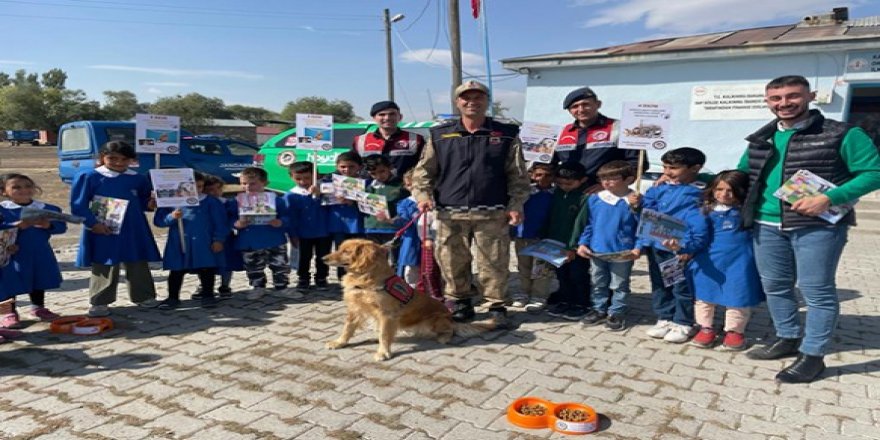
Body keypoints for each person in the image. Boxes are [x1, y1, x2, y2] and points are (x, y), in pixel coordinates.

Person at [739, 75, 880, 383]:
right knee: (775, 287)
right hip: (765, 225)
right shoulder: (761, 137)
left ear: (810, 95)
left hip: (817, 226)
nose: (784, 103)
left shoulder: (842, 133)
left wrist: (829, 198)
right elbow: (740, 176)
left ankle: (813, 356)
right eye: (776, 98)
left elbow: (873, 173)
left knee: (817, 292)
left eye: (792, 96)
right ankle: (786, 337)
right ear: (767, 101)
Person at [411, 80, 530, 326]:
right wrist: (423, 196)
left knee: (494, 262)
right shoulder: (440, 134)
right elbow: (423, 172)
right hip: (449, 213)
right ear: (457, 102)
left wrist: (516, 204)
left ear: (487, 101)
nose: (472, 102)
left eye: (478, 97)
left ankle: (496, 304)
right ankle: (460, 301)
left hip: (493, 212)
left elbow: (517, 175)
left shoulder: (506, 134)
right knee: (452, 262)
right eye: (466, 98)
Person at [70, 141, 161, 317]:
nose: (118, 162)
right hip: (103, 227)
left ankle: (144, 296)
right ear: (102, 157)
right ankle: (100, 301)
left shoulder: (137, 178)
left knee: (137, 260)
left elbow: (144, 202)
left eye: (124, 159)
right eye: (112, 158)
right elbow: (78, 206)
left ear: (131, 160)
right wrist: (93, 224)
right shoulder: (89, 176)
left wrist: (151, 204)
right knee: (105, 262)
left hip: (133, 227)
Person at [632, 147, 709, 343]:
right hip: (656, 246)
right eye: (665, 167)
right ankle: (664, 317)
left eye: (674, 168)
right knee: (660, 284)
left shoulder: (699, 192)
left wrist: (687, 247)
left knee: (679, 285)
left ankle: (683, 322)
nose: (667, 172)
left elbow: (699, 225)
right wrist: (637, 204)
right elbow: (647, 214)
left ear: (695, 168)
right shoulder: (659, 188)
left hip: (676, 249)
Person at [683, 170, 764, 350]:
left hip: (740, 261)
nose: (724, 194)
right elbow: (695, 236)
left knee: (738, 297)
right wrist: (682, 247)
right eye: (719, 189)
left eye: (730, 190)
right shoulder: (704, 212)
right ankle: (706, 328)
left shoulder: (747, 211)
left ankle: (734, 332)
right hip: (708, 260)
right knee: (704, 296)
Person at [577, 161, 640, 331]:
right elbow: (590, 224)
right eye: (603, 178)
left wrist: (639, 247)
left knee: (619, 284)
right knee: (598, 281)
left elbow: (642, 226)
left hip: (623, 251)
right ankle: (599, 308)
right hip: (597, 250)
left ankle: (617, 311)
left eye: (613, 178)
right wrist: (583, 242)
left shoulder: (635, 200)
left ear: (629, 179)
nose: (607, 182)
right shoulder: (596, 199)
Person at [154, 172, 228, 310]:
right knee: (177, 270)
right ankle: (173, 297)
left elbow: (220, 223)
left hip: (203, 242)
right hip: (179, 242)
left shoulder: (210, 201)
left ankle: (208, 295)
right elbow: (159, 221)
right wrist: (171, 216)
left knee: (206, 268)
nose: (196, 191)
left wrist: (218, 240)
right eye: (191, 187)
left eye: (199, 187)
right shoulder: (170, 202)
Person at [0, 173, 66, 327]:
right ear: (4, 191)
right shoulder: (3, 211)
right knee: (11, 281)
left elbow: (61, 227)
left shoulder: (46, 208)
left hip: (40, 251)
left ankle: (38, 307)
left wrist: (48, 226)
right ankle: (9, 312)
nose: (24, 190)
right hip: (13, 253)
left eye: (28, 186)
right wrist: (14, 226)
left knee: (39, 279)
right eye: (16, 187)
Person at [553, 86, 646, 193]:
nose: (581, 110)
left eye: (586, 104)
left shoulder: (622, 128)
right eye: (575, 106)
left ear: (598, 104)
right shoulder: (562, 132)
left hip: (606, 194)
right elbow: (549, 163)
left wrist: (606, 185)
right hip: (566, 192)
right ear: (569, 110)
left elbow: (637, 163)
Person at [232, 167, 293, 300]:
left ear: (264, 183)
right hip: (249, 240)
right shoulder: (237, 201)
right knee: (253, 267)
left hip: (274, 239)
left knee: (280, 265)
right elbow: (228, 218)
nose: (248, 187)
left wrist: (280, 222)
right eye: (243, 183)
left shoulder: (277, 200)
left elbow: (288, 217)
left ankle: (282, 287)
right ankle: (258, 287)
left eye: (252, 183)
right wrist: (236, 224)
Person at [543, 162, 592, 321]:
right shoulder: (556, 193)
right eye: (560, 183)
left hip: (575, 247)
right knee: (561, 274)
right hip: (556, 243)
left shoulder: (585, 197)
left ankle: (581, 303)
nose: (564, 186)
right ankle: (565, 300)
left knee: (578, 275)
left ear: (583, 180)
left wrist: (573, 247)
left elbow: (581, 223)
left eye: (569, 183)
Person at [510, 162, 555, 312]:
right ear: (531, 175)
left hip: (545, 238)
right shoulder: (525, 193)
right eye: (539, 175)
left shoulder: (555, 194)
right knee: (524, 267)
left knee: (542, 270)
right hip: (523, 235)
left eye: (548, 175)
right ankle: (523, 292)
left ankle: (539, 295)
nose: (543, 178)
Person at [285, 161, 331, 292]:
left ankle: (321, 277)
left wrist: (319, 194)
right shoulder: (290, 195)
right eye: (298, 178)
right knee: (303, 257)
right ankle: (303, 278)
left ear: (315, 176)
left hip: (323, 231)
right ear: (291, 177)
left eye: (307, 178)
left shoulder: (325, 191)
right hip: (302, 233)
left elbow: (329, 207)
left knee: (323, 256)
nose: (303, 182)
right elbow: (289, 217)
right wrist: (292, 234)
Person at [352, 100, 426, 177]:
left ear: (400, 117)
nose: (387, 118)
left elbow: (425, 167)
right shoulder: (360, 140)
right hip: (368, 187)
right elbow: (350, 164)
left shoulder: (416, 139)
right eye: (382, 114)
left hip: (402, 187)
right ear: (374, 118)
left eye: (392, 114)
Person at [325, 151, 365, 280]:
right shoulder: (328, 180)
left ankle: (358, 275)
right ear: (337, 166)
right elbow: (320, 190)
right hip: (338, 223)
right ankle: (342, 277)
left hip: (357, 222)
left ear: (359, 167)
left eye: (351, 166)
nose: (347, 170)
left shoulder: (365, 182)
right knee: (342, 251)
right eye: (343, 167)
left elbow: (372, 201)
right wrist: (318, 190)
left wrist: (355, 201)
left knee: (358, 250)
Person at [202, 174, 243, 298]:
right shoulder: (202, 203)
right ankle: (204, 285)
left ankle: (225, 285)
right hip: (206, 237)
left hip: (226, 237)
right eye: (210, 190)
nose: (215, 192)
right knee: (206, 263)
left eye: (218, 189)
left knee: (227, 262)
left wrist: (235, 224)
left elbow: (233, 218)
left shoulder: (228, 203)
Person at [364, 155, 407, 251]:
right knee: (375, 259)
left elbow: (406, 208)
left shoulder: (400, 186)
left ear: (390, 168)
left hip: (392, 228)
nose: (378, 176)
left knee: (394, 260)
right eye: (373, 173)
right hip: (372, 228)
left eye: (382, 171)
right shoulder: (369, 186)